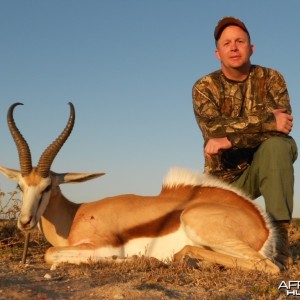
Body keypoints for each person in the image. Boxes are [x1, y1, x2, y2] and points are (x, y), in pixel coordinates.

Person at [192, 16, 298, 265]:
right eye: (227, 43)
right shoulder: (204, 87)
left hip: (266, 165)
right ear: (218, 53)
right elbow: (213, 130)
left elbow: (282, 128)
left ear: (251, 48)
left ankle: (280, 243)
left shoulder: (272, 79)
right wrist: (266, 122)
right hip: (224, 181)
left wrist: (229, 138)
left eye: (240, 41)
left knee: (278, 146)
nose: (234, 47)